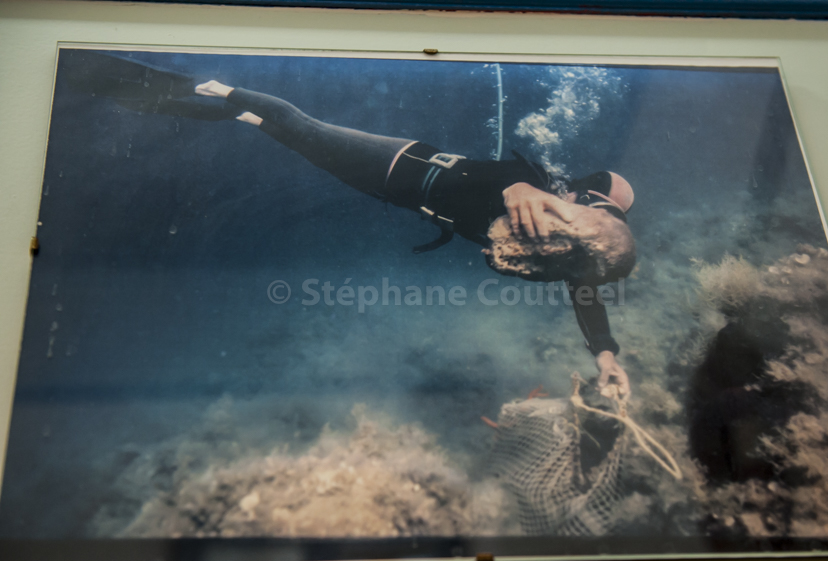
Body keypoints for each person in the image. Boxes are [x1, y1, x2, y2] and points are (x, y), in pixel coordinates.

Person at [68, 52, 636, 392]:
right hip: (402, 164)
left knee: (278, 131)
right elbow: (502, 174)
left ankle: (203, 103)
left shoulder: (554, 250)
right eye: (588, 205)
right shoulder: (531, 199)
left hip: (388, 189)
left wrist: (605, 355)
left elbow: (585, 289)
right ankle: (181, 82)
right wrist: (520, 187)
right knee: (297, 124)